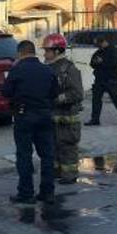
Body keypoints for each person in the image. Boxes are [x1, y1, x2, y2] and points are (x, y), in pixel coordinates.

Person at [1, 40, 59, 205]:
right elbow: (55, 93)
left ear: (20, 53)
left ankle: (26, 193)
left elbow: (5, 92)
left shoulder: (17, 70)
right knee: (47, 156)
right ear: (34, 52)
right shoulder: (47, 70)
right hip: (45, 116)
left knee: (24, 155)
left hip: (24, 116)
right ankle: (47, 193)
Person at [42, 33, 83, 185]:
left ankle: (70, 175)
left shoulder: (69, 69)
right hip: (51, 116)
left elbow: (77, 93)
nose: (45, 54)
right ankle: (56, 172)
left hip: (67, 118)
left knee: (67, 147)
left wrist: (58, 98)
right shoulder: (47, 68)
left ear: (57, 51)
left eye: (47, 51)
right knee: (52, 147)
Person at [86, 36, 117, 128]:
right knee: (96, 100)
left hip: (111, 79)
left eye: (99, 44)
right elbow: (92, 63)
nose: (98, 46)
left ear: (104, 42)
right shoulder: (98, 52)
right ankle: (95, 119)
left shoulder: (115, 51)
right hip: (99, 79)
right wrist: (96, 62)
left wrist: (102, 62)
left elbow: (115, 63)